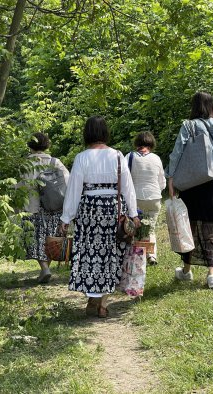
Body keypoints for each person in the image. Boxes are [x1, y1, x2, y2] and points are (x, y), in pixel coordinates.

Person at [59, 116, 140, 318]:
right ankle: (102, 303)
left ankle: (92, 297)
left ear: (87, 133)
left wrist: (66, 217)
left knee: (90, 255)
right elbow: (127, 188)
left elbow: (74, 190)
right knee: (111, 254)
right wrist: (133, 213)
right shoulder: (118, 156)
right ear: (105, 133)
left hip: (89, 211)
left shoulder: (82, 157)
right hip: (113, 210)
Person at [166, 91, 213, 289]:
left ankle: (187, 271)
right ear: (212, 105)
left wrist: (170, 176)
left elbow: (177, 153)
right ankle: (212, 274)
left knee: (189, 227)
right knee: (212, 228)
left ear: (194, 106)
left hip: (192, 184)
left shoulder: (188, 126)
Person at [21, 132, 70, 283]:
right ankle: (45, 269)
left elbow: (21, 186)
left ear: (30, 146)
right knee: (50, 239)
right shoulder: (55, 162)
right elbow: (67, 183)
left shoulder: (25, 164)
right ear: (47, 145)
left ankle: (44, 269)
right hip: (54, 207)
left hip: (33, 208)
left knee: (35, 239)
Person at [124, 131, 166, 265]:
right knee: (151, 228)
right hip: (154, 197)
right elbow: (162, 182)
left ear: (137, 143)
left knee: (134, 229)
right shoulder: (156, 158)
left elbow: (124, 178)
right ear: (151, 144)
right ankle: (152, 255)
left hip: (135, 198)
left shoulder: (130, 157)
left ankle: (137, 257)